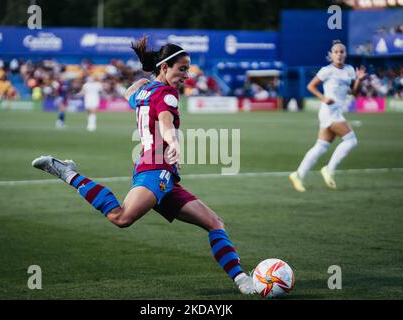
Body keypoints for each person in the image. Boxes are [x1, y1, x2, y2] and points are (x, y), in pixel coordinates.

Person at [31, 36, 255, 295]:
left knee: (215, 223)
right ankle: (68, 172)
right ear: (164, 68)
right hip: (154, 170)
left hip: (161, 174)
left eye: (188, 70)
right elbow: (165, 123)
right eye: (181, 69)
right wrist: (174, 144)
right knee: (122, 217)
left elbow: (131, 93)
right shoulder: (168, 95)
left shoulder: (145, 91)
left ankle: (242, 281)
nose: (186, 75)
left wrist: (143, 82)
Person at [289, 40, 366, 192]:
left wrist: (358, 80)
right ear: (331, 55)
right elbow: (310, 86)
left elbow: (354, 93)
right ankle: (329, 170)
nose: (339, 54)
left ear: (345, 54)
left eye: (342, 51)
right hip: (329, 111)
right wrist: (323, 98)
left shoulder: (350, 70)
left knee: (321, 147)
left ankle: (298, 175)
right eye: (336, 52)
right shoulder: (327, 70)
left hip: (336, 111)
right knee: (351, 140)